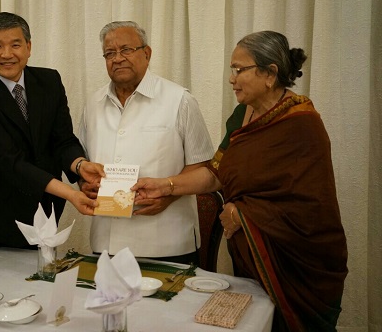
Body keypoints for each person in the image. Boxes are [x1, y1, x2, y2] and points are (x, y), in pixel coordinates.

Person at [132, 31, 348, 331]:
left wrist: (241, 213)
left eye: (239, 69)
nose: (231, 79)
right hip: (253, 253)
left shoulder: (303, 124)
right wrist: (164, 185)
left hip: (298, 260)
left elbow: (310, 208)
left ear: (270, 73)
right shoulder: (241, 114)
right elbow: (216, 173)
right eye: (231, 69)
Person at [0, 12, 104, 255]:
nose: (7, 54)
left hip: (45, 210)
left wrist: (80, 165)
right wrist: (70, 193)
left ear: (28, 47)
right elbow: (8, 162)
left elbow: (62, 140)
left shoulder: (49, 81)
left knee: (43, 275)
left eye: (15, 45)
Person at [78, 21, 214, 264]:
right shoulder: (93, 104)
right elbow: (84, 162)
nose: (117, 59)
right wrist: (84, 184)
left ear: (147, 53)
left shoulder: (179, 100)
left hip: (166, 242)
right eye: (110, 53)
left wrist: (168, 194)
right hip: (105, 243)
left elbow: (203, 168)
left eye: (126, 50)